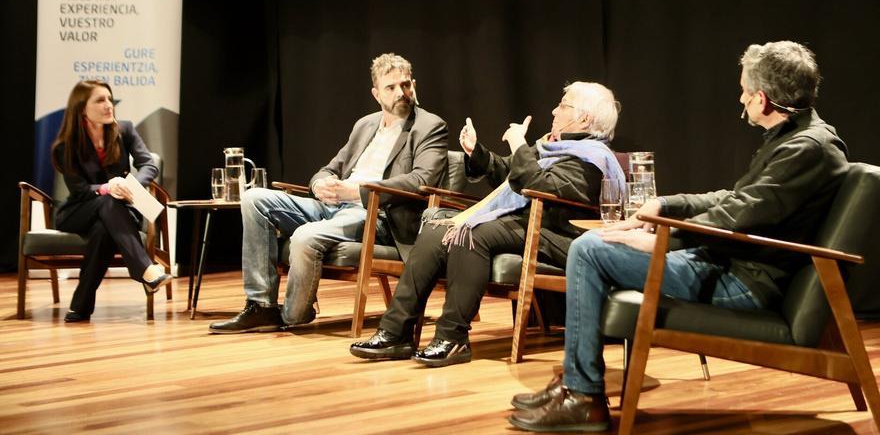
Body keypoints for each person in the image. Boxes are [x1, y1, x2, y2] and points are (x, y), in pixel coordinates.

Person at [508, 41, 850, 433]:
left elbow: (738, 215)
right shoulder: (796, 139)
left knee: (589, 249)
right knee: (595, 246)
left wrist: (663, 241)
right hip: (727, 263)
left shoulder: (807, 148)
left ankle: (584, 396)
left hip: (745, 281)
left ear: (761, 99)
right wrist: (666, 205)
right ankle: (577, 382)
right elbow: (735, 199)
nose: (741, 99)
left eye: (744, 91)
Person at [350, 82, 625, 367]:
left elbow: (536, 184)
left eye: (563, 105)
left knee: (472, 233)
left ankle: (452, 337)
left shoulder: (591, 159)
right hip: (526, 223)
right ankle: (396, 332)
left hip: (556, 234)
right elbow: (510, 173)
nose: (555, 111)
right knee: (437, 227)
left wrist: (519, 144)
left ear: (585, 119)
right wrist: (476, 153)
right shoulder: (552, 146)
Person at [209, 53, 448, 333]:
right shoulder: (366, 125)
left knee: (304, 236)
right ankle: (261, 305)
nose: (401, 93)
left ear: (414, 85)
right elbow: (329, 168)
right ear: (376, 93)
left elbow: (421, 181)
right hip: (335, 204)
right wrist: (319, 184)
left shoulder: (429, 126)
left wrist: (357, 191)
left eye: (405, 85)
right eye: (391, 87)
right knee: (254, 199)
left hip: (377, 214)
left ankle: (294, 315)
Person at [52, 80, 170, 323]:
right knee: (108, 201)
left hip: (119, 214)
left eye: (109, 99)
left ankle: (80, 306)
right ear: (81, 108)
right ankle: (145, 269)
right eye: (100, 100)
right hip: (78, 212)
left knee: (103, 230)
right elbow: (80, 190)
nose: (108, 105)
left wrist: (129, 185)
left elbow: (148, 165)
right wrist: (107, 188)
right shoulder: (66, 145)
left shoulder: (124, 130)